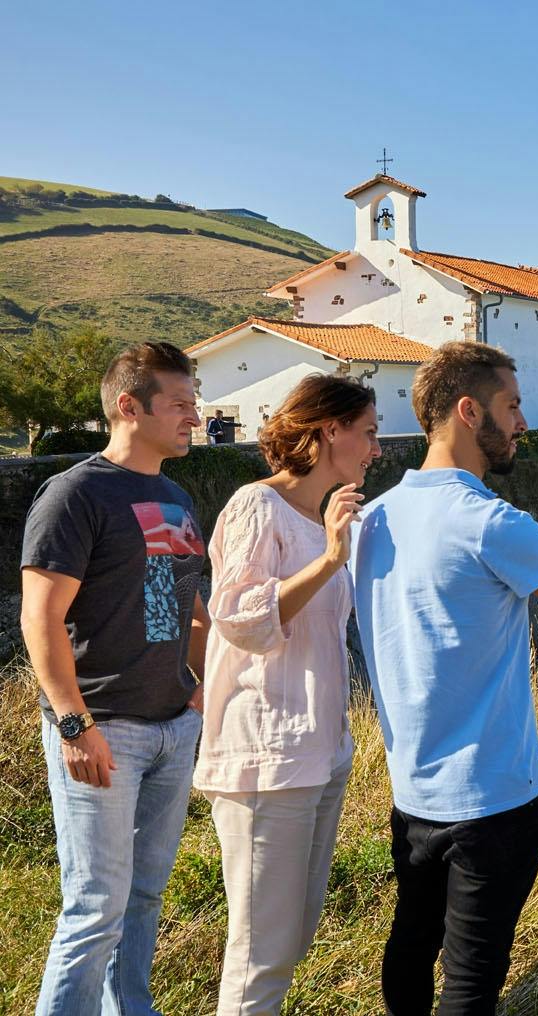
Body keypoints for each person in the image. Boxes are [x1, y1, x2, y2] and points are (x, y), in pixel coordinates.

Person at [352, 341, 538, 1015]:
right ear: (469, 410)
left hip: (414, 792)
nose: (523, 422)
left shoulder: (370, 520)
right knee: (472, 979)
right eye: (511, 405)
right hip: (492, 799)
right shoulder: (488, 522)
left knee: (410, 943)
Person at [20, 341, 210, 1015]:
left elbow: (182, 603)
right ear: (129, 407)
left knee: (146, 893)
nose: (195, 416)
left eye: (194, 402)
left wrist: (200, 686)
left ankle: (130, 1007)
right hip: (104, 731)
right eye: (180, 404)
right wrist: (74, 725)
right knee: (96, 906)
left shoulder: (174, 495)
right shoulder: (76, 494)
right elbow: (41, 620)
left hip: (171, 727)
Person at [195, 374, 380, 1015]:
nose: (377, 449)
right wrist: (331, 559)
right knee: (260, 957)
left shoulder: (317, 515)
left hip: (320, 750)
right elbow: (240, 618)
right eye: (369, 432)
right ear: (330, 431)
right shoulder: (258, 506)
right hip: (264, 757)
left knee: (293, 936)